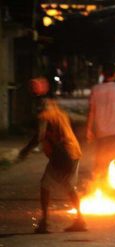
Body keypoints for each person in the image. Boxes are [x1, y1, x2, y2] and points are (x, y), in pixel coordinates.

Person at [18, 78, 86, 233]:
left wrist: (26, 150)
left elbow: (39, 136)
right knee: (69, 186)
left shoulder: (44, 115)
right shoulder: (57, 110)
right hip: (73, 150)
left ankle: (45, 222)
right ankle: (80, 220)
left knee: (45, 185)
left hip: (62, 154)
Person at [86, 63, 115, 182]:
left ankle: (100, 187)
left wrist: (89, 130)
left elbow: (91, 112)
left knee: (101, 164)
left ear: (102, 74)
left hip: (101, 132)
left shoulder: (95, 89)